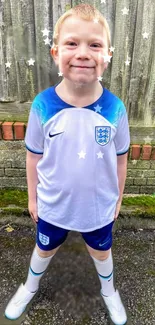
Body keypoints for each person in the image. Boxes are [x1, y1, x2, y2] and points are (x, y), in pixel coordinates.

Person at [5, 3, 130, 325]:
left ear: (107, 55)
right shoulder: (42, 105)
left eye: (95, 45)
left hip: (97, 204)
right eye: (73, 43)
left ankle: (109, 291)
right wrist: (32, 198)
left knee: (101, 251)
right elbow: (34, 155)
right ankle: (29, 286)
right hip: (54, 203)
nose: (84, 53)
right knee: (44, 248)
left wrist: (117, 198)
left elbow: (121, 157)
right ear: (55, 52)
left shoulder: (115, 109)